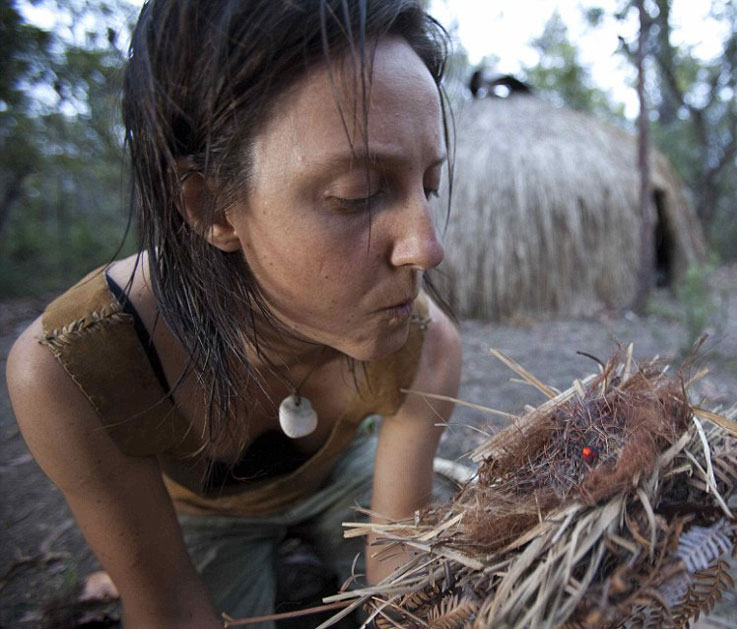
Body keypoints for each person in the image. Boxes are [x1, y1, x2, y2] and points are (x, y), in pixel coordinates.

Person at [5, 1, 462, 626]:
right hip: (201, 512)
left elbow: (397, 562)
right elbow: (168, 606)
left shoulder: (422, 345)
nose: (426, 248)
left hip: (343, 477)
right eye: (355, 195)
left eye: (428, 186)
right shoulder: (76, 374)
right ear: (212, 206)